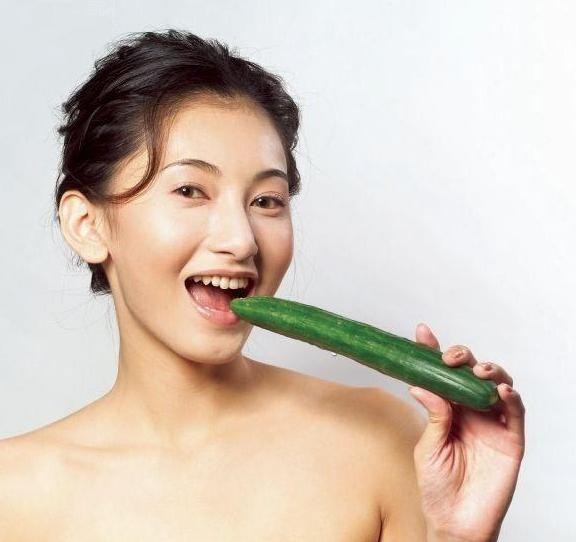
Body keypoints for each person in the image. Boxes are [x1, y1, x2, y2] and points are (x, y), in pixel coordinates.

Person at [0, 29, 525, 541]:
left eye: (267, 201)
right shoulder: (14, 493)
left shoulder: (381, 436)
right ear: (87, 225)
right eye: (190, 190)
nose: (241, 240)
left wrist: (459, 537)